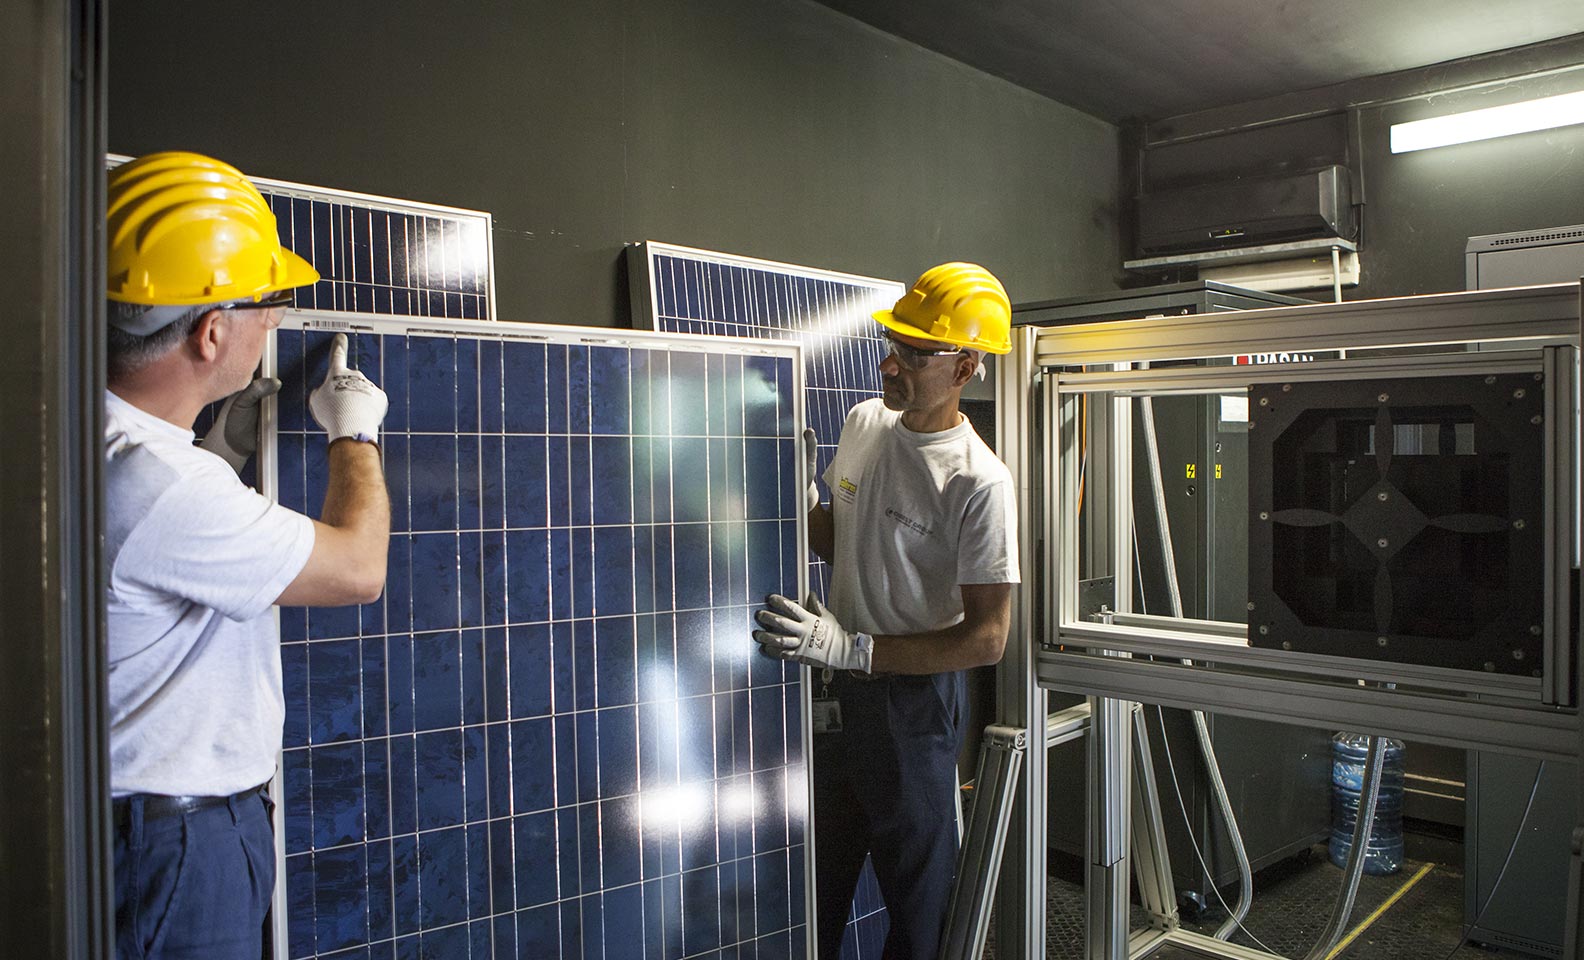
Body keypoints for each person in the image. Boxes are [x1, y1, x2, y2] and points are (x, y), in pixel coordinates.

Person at [104, 151, 391, 960]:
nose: (276, 322)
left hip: (133, 830)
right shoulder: (162, 484)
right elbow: (359, 568)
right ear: (211, 331)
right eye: (267, 303)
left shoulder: (90, 440)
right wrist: (355, 434)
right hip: (176, 844)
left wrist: (214, 460)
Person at [753, 262, 1020, 959]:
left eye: (914, 353)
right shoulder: (864, 422)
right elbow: (842, 545)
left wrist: (853, 648)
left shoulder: (978, 481)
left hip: (912, 708)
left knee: (917, 907)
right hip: (837, 697)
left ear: (964, 366)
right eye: (892, 342)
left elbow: (988, 638)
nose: (889, 363)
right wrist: (807, 498)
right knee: (817, 888)